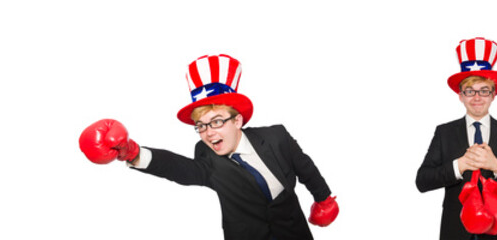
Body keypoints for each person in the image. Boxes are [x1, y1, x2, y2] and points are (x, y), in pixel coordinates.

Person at [78, 54, 339, 240]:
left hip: (294, 233)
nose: (208, 133)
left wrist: (323, 199)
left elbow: (305, 168)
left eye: (215, 121)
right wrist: (133, 152)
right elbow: (180, 169)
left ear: (237, 120)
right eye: (200, 126)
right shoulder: (208, 158)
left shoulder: (276, 137)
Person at [415, 37, 497, 240]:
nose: (477, 97)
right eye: (470, 91)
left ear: (493, 95)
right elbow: (422, 181)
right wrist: (459, 166)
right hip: (455, 232)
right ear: (461, 96)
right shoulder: (444, 133)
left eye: (484, 90)